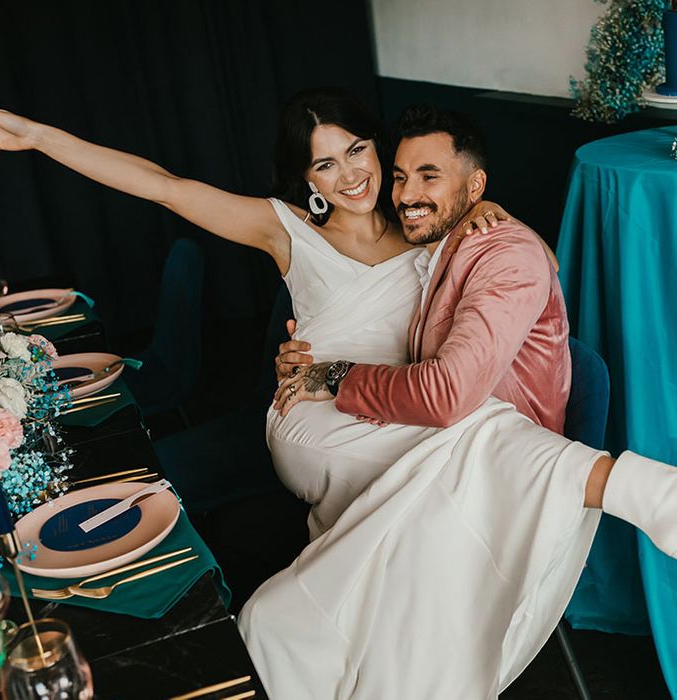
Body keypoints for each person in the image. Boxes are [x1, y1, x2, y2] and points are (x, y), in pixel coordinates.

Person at [236, 105, 677, 699]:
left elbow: (448, 392)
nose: (407, 192)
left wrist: (334, 375)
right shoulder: (432, 246)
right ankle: (646, 490)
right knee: (296, 613)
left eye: (428, 175)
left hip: (491, 443)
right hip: (440, 435)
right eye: (400, 175)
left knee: (478, 428)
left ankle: (652, 493)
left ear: (473, 186)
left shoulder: (498, 250)